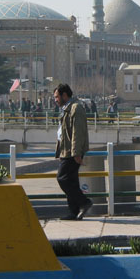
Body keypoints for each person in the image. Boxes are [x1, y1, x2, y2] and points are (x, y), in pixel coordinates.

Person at [54, 83, 92, 221]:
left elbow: (78, 132)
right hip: (66, 150)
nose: (55, 100)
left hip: (72, 151)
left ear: (65, 95)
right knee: (71, 181)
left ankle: (84, 202)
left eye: (57, 97)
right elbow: (62, 132)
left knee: (62, 178)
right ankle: (74, 211)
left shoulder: (76, 108)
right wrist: (59, 151)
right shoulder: (66, 108)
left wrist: (76, 153)